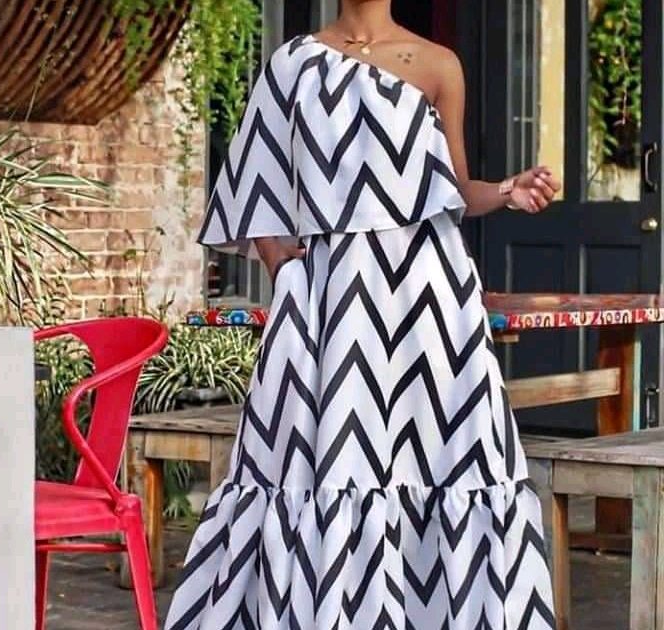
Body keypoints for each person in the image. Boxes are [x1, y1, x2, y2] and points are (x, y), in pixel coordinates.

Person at [165, 2, 561, 628]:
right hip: (329, 299)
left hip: (429, 301)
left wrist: (507, 191)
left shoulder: (438, 64)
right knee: (319, 458)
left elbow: (454, 190)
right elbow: (254, 182)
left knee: (442, 460)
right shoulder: (291, 64)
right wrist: (283, 267)